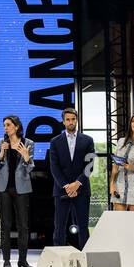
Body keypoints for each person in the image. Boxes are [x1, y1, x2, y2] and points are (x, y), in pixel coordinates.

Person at [48, 106, 94, 249]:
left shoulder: (88, 140)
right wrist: (67, 186)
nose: (71, 122)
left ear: (77, 120)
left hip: (82, 189)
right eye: (67, 120)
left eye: (73, 119)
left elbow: (90, 165)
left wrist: (77, 183)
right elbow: (54, 167)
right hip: (62, 190)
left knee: (83, 227)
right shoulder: (55, 141)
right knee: (59, 228)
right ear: (63, 122)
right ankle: (59, 262)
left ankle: (84, 259)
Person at [0, 114, 34, 267]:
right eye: (4, 125)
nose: (6, 128)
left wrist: (26, 157)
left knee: (23, 225)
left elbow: (30, 167)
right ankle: (7, 260)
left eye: (8, 125)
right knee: (6, 224)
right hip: (4, 188)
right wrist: (2, 153)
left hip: (22, 188)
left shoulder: (28, 143)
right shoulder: (1, 142)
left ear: (16, 126)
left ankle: (22, 260)